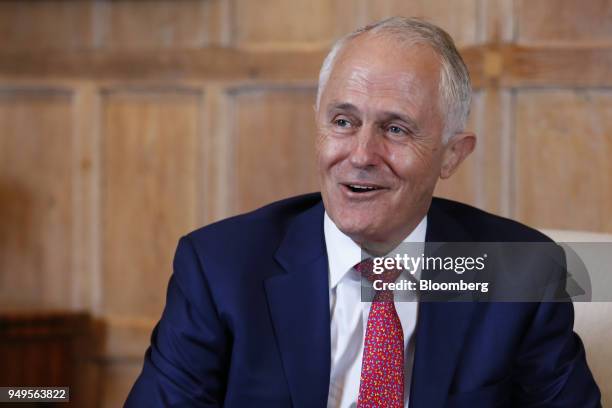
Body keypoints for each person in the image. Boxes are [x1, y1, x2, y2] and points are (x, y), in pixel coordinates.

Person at [125, 17, 601, 407]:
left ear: (453, 155)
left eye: (396, 130)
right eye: (343, 122)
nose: (361, 154)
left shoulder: (517, 272)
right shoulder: (220, 267)